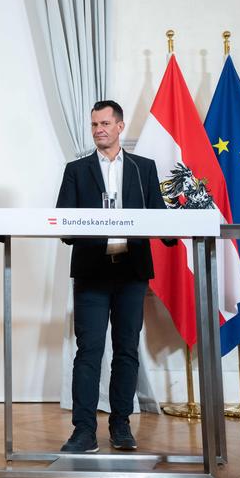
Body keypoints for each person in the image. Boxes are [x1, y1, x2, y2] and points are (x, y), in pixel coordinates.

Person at [56, 100, 174, 452]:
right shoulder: (76, 170)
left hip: (132, 271)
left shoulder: (143, 169)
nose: (99, 130)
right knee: (88, 351)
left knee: (126, 351)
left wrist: (180, 223)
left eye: (105, 123)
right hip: (92, 272)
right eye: (94, 125)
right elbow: (64, 224)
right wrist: (94, 224)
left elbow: (161, 219)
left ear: (120, 127)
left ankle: (121, 426)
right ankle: (83, 430)